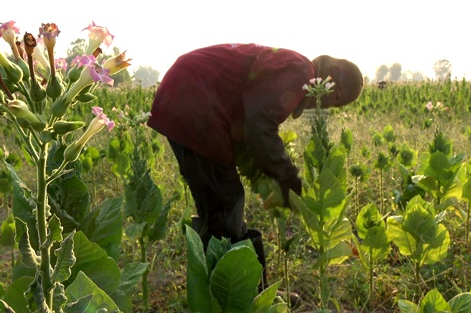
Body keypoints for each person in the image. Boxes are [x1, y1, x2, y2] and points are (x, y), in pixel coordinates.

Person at [146, 43, 363, 292]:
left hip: (190, 94)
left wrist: (264, 173)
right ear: (331, 81)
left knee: (223, 203)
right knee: (223, 204)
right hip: (194, 97)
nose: (324, 107)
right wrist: (292, 184)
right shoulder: (301, 70)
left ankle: (244, 293)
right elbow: (258, 128)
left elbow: (248, 126)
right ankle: (231, 296)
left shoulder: (295, 69)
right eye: (335, 100)